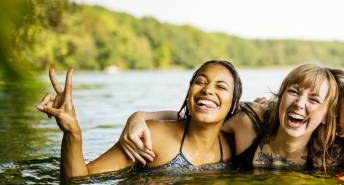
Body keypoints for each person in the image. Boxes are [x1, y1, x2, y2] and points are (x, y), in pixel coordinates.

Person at [120, 64, 344, 172]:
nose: (299, 104)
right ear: (281, 97)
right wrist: (141, 116)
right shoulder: (248, 122)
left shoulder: (332, 153)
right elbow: (200, 118)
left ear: (325, 116)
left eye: (313, 99)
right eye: (293, 92)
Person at [36, 60, 242, 178]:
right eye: (200, 82)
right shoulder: (151, 136)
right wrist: (73, 133)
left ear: (233, 104)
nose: (207, 90)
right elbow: (81, 180)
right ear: (189, 93)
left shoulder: (236, 145)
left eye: (221, 87)